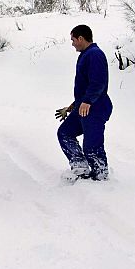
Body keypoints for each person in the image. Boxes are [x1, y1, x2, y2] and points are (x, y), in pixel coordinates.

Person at [55, 24, 113, 182]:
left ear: (80, 38)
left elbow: (98, 82)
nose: (72, 43)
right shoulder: (86, 54)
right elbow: (86, 85)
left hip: (95, 107)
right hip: (83, 106)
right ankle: (80, 167)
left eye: (73, 40)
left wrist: (87, 101)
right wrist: (74, 105)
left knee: (92, 146)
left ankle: (100, 175)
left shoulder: (94, 54)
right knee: (65, 133)